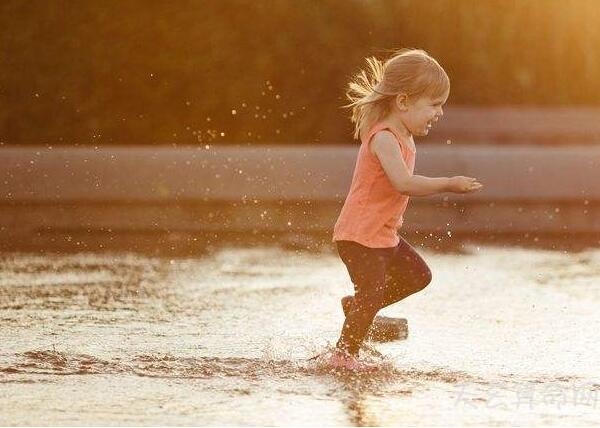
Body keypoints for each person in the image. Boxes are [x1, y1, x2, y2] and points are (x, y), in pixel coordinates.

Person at [330, 48, 483, 371]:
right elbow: (403, 183)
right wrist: (448, 183)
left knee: (418, 276)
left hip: (383, 235)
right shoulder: (384, 138)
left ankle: (357, 308)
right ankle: (343, 356)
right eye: (434, 104)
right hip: (359, 235)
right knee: (371, 294)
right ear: (403, 102)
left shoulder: (405, 136)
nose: (439, 113)